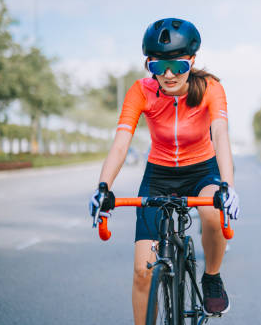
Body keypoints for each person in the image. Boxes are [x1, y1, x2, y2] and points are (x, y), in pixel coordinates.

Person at [89, 18, 239, 324]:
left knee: (212, 211)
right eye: (158, 67)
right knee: (142, 271)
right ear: (149, 66)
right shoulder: (140, 91)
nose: (168, 75)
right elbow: (121, 142)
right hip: (158, 175)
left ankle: (211, 277)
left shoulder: (211, 88)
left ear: (192, 62)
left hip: (202, 170)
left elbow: (221, 134)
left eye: (178, 66)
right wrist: (103, 186)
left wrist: (228, 186)